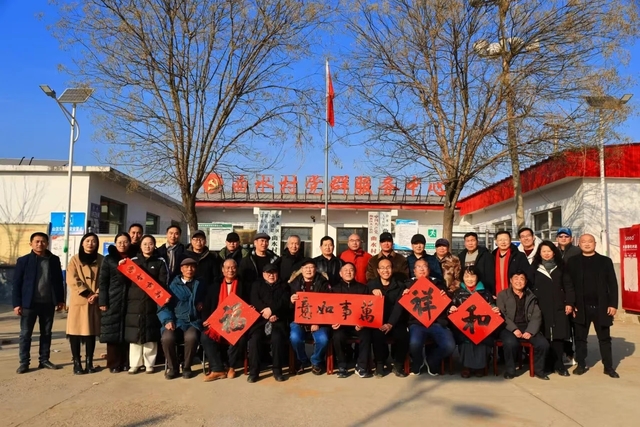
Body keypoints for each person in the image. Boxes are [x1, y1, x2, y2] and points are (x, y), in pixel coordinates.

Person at [564, 234, 619, 378]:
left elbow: (612, 284)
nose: (587, 244)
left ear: (595, 243)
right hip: (580, 307)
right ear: (579, 244)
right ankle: (581, 364)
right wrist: (571, 302)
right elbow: (568, 285)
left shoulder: (605, 261)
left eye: (590, 241)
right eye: (583, 242)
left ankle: (608, 367)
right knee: (580, 338)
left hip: (602, 307)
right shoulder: (573, 261)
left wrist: (613, 304)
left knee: (605, 339)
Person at [13, 232, 65, 374]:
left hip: (48, 303)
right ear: (31, 243)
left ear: (47, 243)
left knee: (46, 333)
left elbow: (58, 282)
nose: (40, 244)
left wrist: (60, 299)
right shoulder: (23, 261)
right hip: (29, 303)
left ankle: (44, 360)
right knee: (25, 334)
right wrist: (17, 304)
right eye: (36, 241)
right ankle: (24, 362)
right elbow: (17, 283)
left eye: (43, 241)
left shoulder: (54, 260)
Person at [404, 259, 455, 376]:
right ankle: (418, 361)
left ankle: (432, 360)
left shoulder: (438, 284)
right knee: (414, 343)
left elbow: (448, 305)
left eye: (424, 266)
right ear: (414, 271)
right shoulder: (407, 285)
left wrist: (445, 297)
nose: (422, 269)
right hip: (416, 323)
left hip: (437, 322)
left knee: (449, 346)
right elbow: (400, 307)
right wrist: (404, 295)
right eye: (418, 267)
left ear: (429, 269)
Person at [530, 241, 574, 377]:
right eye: (543, 251)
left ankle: (559, 365)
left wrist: (570, 303)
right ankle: (547, 365)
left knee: (559, 337)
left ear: (554, 252)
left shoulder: (561, 267)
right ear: (539, 253)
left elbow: (569, 286)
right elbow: (530, 288)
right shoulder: (535, 268)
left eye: (549, 251)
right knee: (545, 336)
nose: (546, 254)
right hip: (541, 307)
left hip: (559, 307)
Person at [200, 259, 249, 381]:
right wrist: (206, 319)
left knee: (239, 336)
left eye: (233, 267)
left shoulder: (244, 286)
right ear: (222, 270)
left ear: (236, 269)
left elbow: (248, 304)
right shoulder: (214, 286)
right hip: (219, 322)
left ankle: (232, 366)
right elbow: (207, 306)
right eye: (227, 268)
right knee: (205, 336)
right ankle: (218, 369)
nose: (230, 270)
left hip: (236, 321)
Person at [158, 257, 207, 380]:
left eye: (192, 267)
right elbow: (163, 306)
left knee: (192, 337)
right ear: (181, 269)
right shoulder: (172, 286)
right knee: (167, 338)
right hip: (175, 320)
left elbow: (208, 298)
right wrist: (167, 320)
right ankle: (173, 367)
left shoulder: (200, 284)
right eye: (186, 267)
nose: (189, 269)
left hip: (193, 321)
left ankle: (187, 367)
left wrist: (202, 302)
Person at [496, 271, 550, 380]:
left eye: (522, 279)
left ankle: (538, 370)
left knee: (543, 344)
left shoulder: (531, 296)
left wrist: (530, 331)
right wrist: (514, 329)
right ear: (511, 280)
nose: (518, 281)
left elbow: (536, 315)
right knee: (510, 343)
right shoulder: (502, 295)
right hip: (508, 326)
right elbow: (502, 315)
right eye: (516, 278)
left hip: (527, 326)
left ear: (525, 282)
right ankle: (510, 371)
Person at [125, 235, 166, 374]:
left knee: (150, 333)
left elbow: (163, 282)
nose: (147, 246)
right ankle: (135, 364)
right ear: (140, 246)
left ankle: (149, 364)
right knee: (135, 333)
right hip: (135, 302)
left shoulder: (160, 262)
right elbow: (125, 282)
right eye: (145, 244)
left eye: (150, 244)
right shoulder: (133, 262)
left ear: (154, 246)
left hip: (152, 302)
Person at [448, 265, 499, 378]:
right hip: (464, 327)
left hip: (481, 327)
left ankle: (480, 367)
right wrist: (451, 309)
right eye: (466, 276)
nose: (469, 279)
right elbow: (450, 309)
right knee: (466, 338)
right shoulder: (457, 293)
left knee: (482, 338)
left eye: (472, 276)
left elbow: (492, 306)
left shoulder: (486, 293)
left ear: (477, 277)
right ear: (462, 277)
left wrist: (494, 309)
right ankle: (466, 366)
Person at [246, 263, 291, 383]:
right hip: (260, 320)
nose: (271, 275)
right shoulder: (257, 285)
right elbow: (255, 300)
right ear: (263, 274)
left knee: (277, 338)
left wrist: (272, 311)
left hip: (278, 320)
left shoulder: (284, 286)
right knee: (254, 339)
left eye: (274, 273)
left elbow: (285, 302)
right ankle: (254, 372)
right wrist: (265, 312)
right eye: (268, 273)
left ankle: (277, 370)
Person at [66, 232, 103, 375]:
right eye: (87, 241)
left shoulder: (101, 260)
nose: (90, 243)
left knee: (90, 333)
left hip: (94, 301)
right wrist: (87, 293)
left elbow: (105, 279)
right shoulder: (74, 260)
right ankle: (76, 363)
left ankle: (89, 363)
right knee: (75, 333)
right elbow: (72, 279)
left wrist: (97, 294)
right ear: (82, 243)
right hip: (79, 301)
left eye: (93, 241)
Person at [367, 258, 410, 378]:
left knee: (403, 335)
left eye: (388, 267)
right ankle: (380, 364)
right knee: (377, 334)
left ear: (392, 269)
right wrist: (371, 291)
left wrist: (390, 323)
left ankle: (398, 364)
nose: (385, 270)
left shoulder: (400, 285)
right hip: (378, 320)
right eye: (382, 268)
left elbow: (399, 306)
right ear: (378, 271)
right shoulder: (371, 285)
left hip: (395, 321)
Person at [289, 258, 331, 375]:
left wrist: (317, 321)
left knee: (323, 339)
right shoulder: (293, 284)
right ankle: (302, 360)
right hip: (299, 320)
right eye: (306, 268)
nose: (308, 270)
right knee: (295, 338)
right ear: (301, 270)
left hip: (319, 322)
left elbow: (327, 305)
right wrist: (291, 301)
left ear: (316, 269)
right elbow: (286, 307)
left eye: (311, 267)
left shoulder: (323, 283)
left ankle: (316, 361)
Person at [332, 262, 374, 378]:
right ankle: (342, 365)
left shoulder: (363, 288)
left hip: (358, 325)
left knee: (366, 334)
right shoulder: (334, 289)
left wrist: (363, 322)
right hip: (341, 325)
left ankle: (361, 366)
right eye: (345, 270)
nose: (348, 272)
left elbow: (369, 308)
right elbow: (330, 309)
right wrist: (333, 322)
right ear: (340, 273)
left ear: (355, 273)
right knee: (337, 336)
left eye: (351, 270)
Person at [99, 232, 132, 373]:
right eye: (119, 242)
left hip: (130, 299)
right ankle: (113, 363)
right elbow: (103, 281)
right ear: (115, 243)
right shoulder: (108, 259)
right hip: (113, 298)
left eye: (125, 242)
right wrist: (103, 300)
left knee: (127, 332)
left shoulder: (134, 258)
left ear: (129, 243)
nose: (122, 245)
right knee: (112, 332)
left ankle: (126, 362)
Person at [555, 227, 580, 366]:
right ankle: (567, 353)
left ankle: (575, 354)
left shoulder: (576, 252)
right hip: (560, 295)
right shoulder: (554, 252)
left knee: (575, 326)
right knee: (564, 327)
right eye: (560, 236)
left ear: (571, 238)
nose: (563, 239)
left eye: (566, 236)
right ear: (557, 238)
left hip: (574, 294)